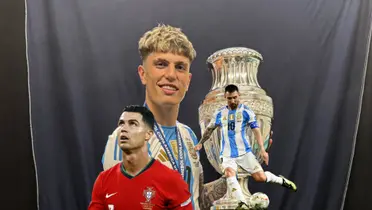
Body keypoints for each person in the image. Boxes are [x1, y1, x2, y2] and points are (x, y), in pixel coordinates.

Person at [101, 24, 226, 210]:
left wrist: (235, 176)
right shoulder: (123, 139)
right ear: (143, 74)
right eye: (161, 64)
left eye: (180, 67)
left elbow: (196, 200)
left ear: (188, 81)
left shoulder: (188, 136)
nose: (171, 75)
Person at [194, 84, 297, 204]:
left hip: (244, 153)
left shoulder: (246, 111)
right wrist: (201, 143)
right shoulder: (220, 113)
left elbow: (256, 130)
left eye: (235, 97)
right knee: (229, 173)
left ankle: (281, 181)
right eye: (229, 98)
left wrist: (262, 150)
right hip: (227, 154)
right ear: (225, 97)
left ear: (239, 96)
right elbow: (209, 130)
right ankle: (242, 203)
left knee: (260, 177)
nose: (233, 100)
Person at [89, 105, 193, 210]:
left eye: (133, 124)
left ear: (148, 134)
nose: (123, 129)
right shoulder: (103, 180)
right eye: (121, 124)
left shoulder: (171, 180)